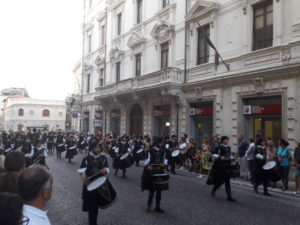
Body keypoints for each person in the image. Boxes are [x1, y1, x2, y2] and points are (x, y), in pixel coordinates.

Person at [78, 144, 109, 225]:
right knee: (91, 204)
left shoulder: (103, 158)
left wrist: (105, 171)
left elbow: (107, 168)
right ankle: (92, 222)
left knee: (96, 204)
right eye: (95, 148)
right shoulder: (86, 158)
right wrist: (82, 175)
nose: (97, 149)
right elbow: (81, 170)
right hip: (89, 184)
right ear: (92, 149)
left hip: (100, 184)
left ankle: (93, 221)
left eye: (98, 148)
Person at [142, 137, 168, 213]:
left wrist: (164, 163)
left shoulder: (163, 150)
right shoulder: (150, 150)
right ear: (157, 143)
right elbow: (147, 159)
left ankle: (158, 206)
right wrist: (148, 165)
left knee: (159, 190)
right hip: (152, 171)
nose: (162, 144)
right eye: (161, 143)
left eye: (162, 143)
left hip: (160, 171)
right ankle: (149, 206)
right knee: (152, 190)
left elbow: (164, 159)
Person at [211, 136, 237, 202]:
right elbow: (214, 154)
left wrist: (232, 159)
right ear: (222, 140)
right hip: (220, 166)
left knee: (227, 181)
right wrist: (220, 157)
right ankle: (214, 189)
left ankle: (229, 196)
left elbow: (229, 154)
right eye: (226, 140)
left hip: (227, 165)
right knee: (220, 181)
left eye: (228, 140)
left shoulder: (228, 147)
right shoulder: (219, 147)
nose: (227, 141)